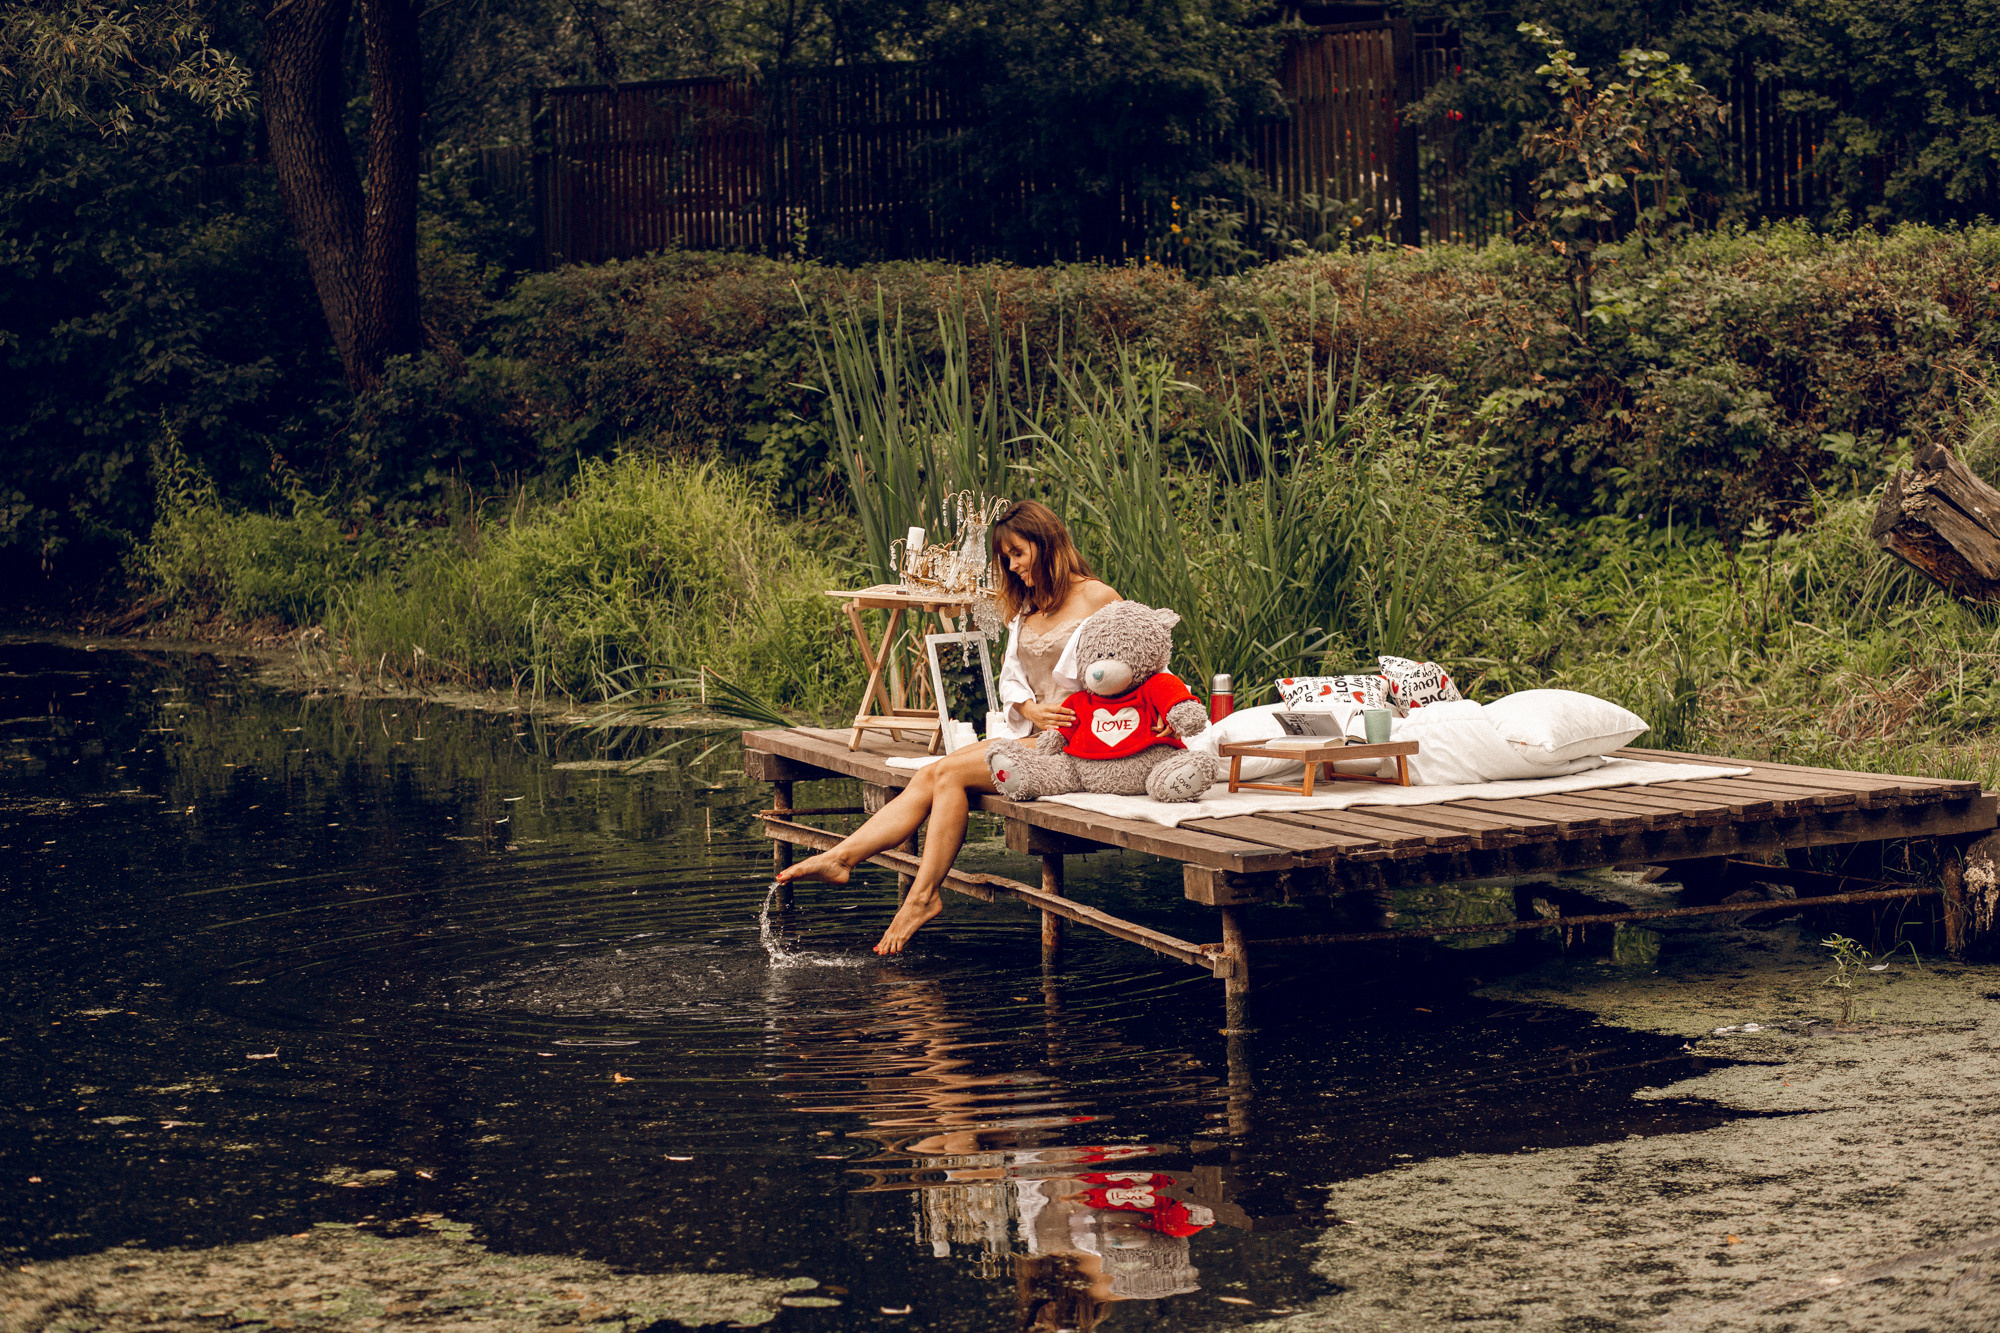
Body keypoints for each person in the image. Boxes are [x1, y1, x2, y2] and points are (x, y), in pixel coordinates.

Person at [776, 500, 1123, 955]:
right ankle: (843, 858)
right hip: (1037, 736)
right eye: (1006, 559)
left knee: (950, 774)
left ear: (1046, 543)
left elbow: (1136, 661)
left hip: (1080, 742)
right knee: (933, 773)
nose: (1013, 567)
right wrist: (1030, 708)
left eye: (1018, 554)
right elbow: (1012, 679)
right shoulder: (1027, 609)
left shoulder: (1098, 597)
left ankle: (920, 896)